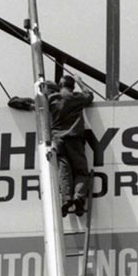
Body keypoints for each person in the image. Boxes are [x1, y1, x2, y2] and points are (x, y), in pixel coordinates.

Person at [48, 74, 94, 217]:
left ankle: (66, 200)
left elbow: (35, 104)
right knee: (80, 171)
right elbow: (90, 95)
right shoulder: (76, 97)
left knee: (64, 171)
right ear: (72, 86)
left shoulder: (52, 99)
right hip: (74, 139)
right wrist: (80, 81)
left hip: (58, 140)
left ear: (60, 85)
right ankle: (78, 197)